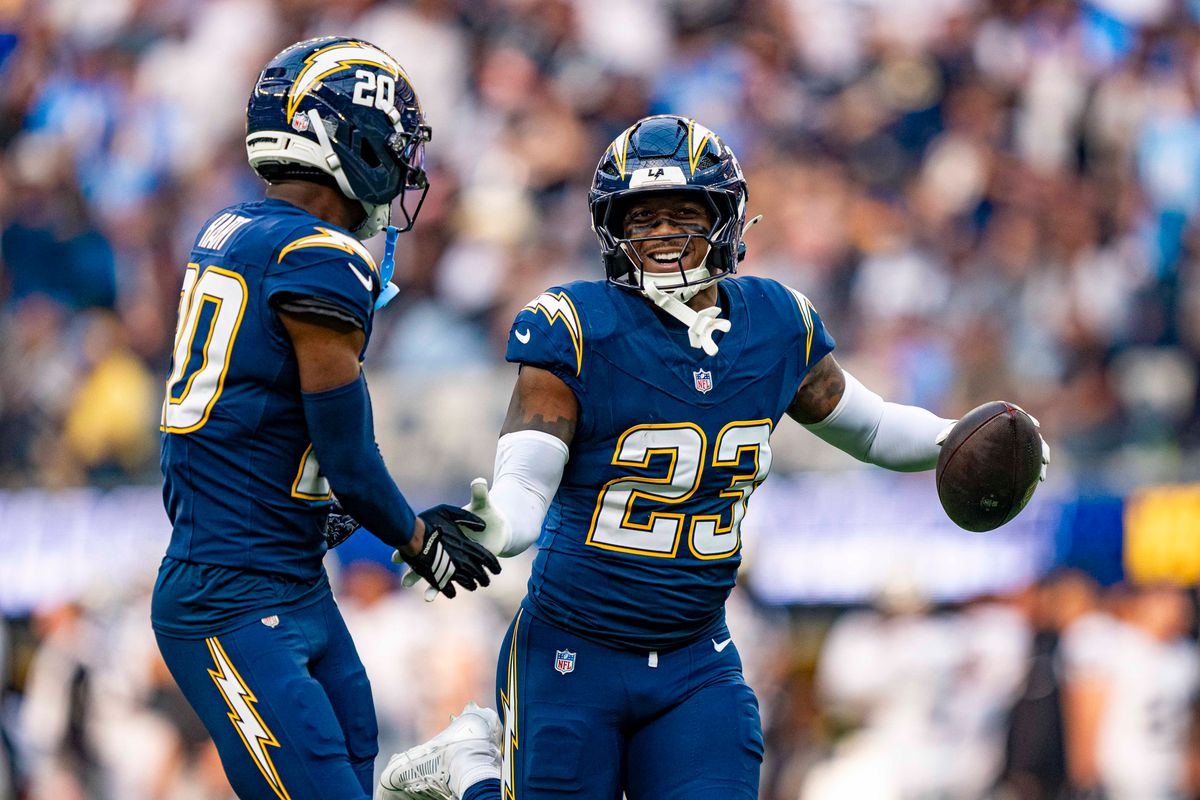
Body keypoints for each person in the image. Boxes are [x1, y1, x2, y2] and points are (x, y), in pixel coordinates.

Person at [375, 114, 1050, 800]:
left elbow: (870, 429)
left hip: (695, 659)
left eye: (682, 213)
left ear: (726, 218)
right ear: (613, 228)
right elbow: (527, 478)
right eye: (643, 217)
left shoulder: (775, 323)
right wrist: (500, 526)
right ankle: (471, 769)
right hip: (571, 652)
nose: (664, 233)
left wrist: (958, 438)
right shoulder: (574, 328)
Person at [151, 36, 500, 800]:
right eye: (391, 143)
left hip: (286, 580)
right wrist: (417, 540)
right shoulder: (320, 257)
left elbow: (253, 419)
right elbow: (348, 458)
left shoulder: (231, 231)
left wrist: (341, 513)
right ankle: (462, 775)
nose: (399, 167)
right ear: (347, 137)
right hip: (235, 595)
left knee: (355, 775)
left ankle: (437, 777)